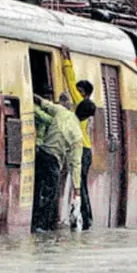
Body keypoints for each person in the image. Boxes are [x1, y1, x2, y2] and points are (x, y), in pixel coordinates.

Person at [32, 94, 84, 232]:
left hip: (41, 154)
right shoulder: (78, 135)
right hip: (54, 160)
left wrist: (30, 94)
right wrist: (77, 189)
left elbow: (43, 102)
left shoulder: (61, 111)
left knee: (36, 188)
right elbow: (76, 164)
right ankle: (42, 226)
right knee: (51, 193)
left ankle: (33, 221)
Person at [74, 80, 100, 231]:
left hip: (82, 150)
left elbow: (71, 82)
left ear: (83, 92)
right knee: (82, 186)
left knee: (81, 186)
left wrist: (66, 62)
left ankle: (86, 218)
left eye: (78, 90)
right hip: (87, 150)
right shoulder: (87, 107)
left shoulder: (81, 105)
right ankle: (87, 218)